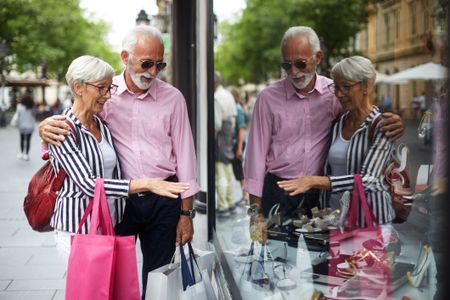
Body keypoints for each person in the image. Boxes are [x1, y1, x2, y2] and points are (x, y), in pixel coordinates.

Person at [39, 26, 199, 298]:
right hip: (119, 202)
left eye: (159, 64)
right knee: (112, 278)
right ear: (125, 56)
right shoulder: (104, 92)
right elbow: (74, 119)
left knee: (159, 277)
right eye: (146, 63)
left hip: (164, 199)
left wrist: (186, 214)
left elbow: (186, 159)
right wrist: (45, 128)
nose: (152, 71)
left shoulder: (173, 99)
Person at [243, 26, 403, 236]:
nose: (294, 72)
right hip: (279, 191)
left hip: (320, 195)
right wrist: (255, 213)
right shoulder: (267, 99)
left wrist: (396, 122)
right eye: (286, 65)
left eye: (301, 63)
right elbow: (255, 158)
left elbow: (362, 113)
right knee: (277, 261)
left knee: (321, 263)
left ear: (318, 57)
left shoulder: (334, 92)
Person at [48, 55, 189, 266]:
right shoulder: (63, 129)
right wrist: (148, 183)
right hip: (77, 228)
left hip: (107, 224)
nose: (107, 96)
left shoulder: (101, 124)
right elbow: (88, 184)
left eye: (109, 88)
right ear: (78, 87)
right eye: (101, 88)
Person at [278, 56, 396, 227]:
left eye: (346, 87)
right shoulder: (338, 123)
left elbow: (370, 180)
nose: (339, 94)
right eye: (336, 87)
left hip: (368, 223)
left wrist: (313, 181)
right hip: (336, 221)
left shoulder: (382, 126)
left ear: (366, 86)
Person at [214, 71, 237, 217]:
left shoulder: (216, 97)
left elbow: (216, 124)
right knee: (228, 170)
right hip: (229, 135)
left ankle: (222, 205)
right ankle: (230, 202)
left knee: (220, 171)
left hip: (221, 136)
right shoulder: (228, 94)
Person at [230, 87, 249, 206]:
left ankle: (245, 195)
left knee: (238, 170)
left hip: (238, 143)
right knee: (237, 169)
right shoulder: (235, 108)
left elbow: (241, 129)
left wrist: (239, 148)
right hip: (236, 143)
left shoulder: (237, 109)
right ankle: (245, 194)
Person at [14, 93, 36, 161]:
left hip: (22, 126)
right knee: (28, 140)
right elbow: (33, 116)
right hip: (30, 126)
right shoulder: (31, 107)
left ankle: (21, 153)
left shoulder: (19, 106)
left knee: (22, 139)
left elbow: (17, 115)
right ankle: (26, 154)